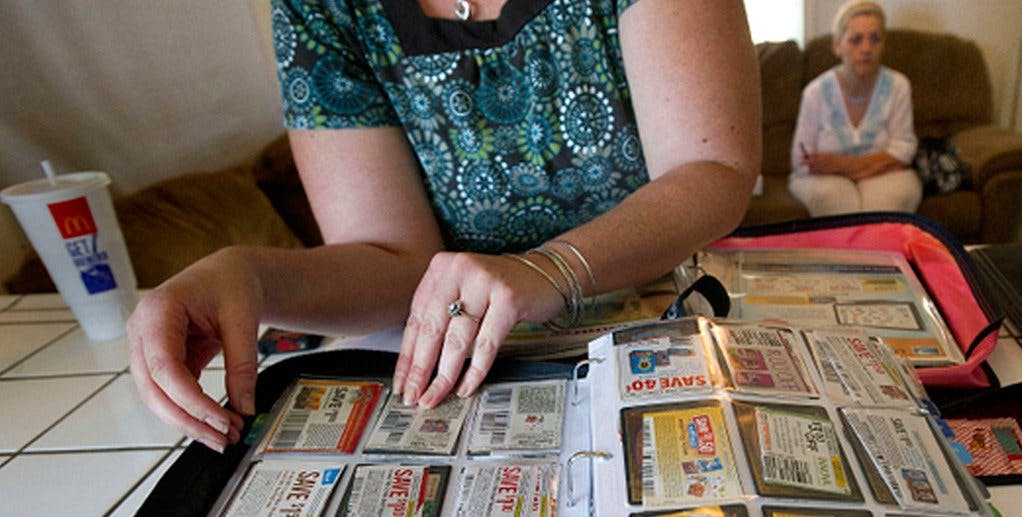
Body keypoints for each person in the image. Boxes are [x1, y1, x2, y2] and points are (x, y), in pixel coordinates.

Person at [127, 0, 760, 453]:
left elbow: (713, 169)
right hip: (475, 370)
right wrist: (248, 275)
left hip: (663, 318)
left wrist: (549, 268)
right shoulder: (322, 8)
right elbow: (393, 259)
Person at [788, 0, 919, 216]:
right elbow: (802, 162)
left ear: (883, 44)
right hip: (829, 180)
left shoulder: (898, 86)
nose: (866, 49)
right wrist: (878, 163)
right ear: (837, 46)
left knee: (885, 207)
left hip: (884, 178)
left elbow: (904, 150)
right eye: (856, 40)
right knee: (837, 203)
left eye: (874, 39)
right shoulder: (815, 92)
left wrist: (839, 165)